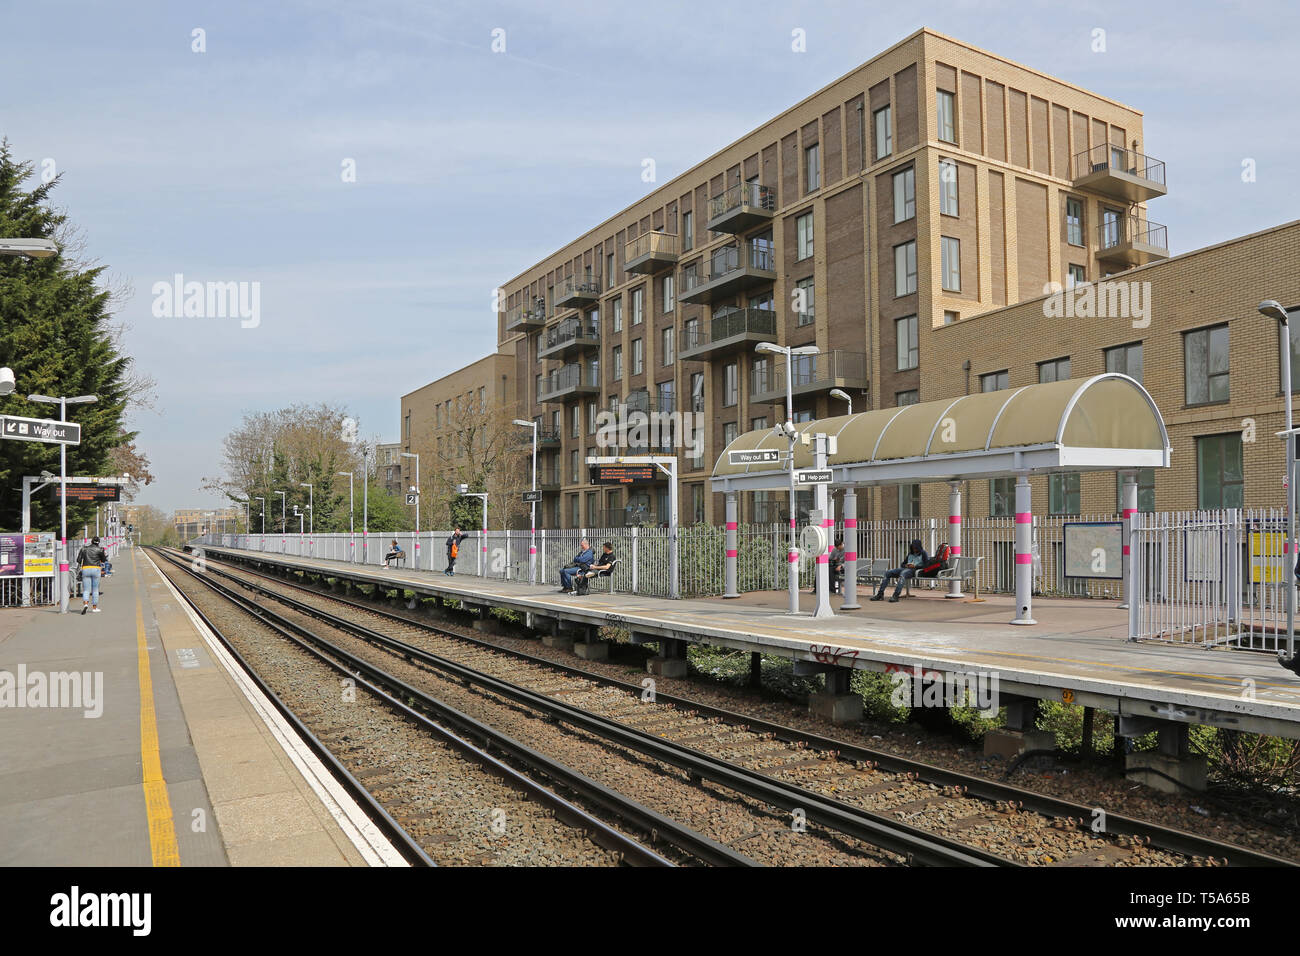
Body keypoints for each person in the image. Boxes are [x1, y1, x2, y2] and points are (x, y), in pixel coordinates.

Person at [870, 539, 928, 603]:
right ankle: (880, 594)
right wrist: (906, 565)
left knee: (903, 574)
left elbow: (926, 566)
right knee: (888, 573)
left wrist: (915, 566)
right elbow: (902, 564)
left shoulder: (923, 553)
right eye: (913, 548)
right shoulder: (910, 554)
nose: (914, 549)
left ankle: (895, 595)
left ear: (919, 547)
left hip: (914, 571)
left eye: (916, 548)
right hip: (906, 569)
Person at [75, 536, 108, 615]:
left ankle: (86, 604)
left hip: (86, 569)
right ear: (98, 542)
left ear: (91, 541)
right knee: (95, 589)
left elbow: (78, 560)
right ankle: (94, 608)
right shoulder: (100, 549)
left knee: (86, 589)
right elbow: (103, 560)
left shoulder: (84, 549)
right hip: (96, 569)